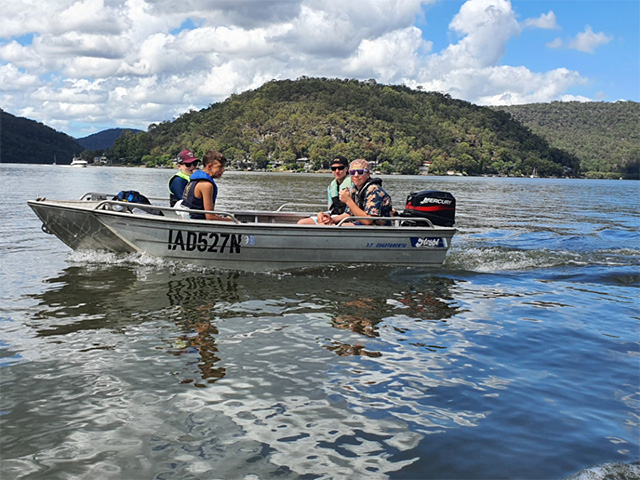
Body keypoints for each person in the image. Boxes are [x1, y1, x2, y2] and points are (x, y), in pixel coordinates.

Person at [317, 159, 393, 226]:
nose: (356, 175)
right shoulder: (354, 189)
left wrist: (348, 201)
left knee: (343, 226)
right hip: (362, 225)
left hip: (378, 228)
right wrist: (331, 220)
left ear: (368, 174)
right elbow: (348, 214)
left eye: (360, 172)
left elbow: (368, 221)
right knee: (331, 224)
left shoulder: (374, 190)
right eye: (352, 172)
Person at [297, 155, 353, 225]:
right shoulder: (331, 187)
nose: (337, 171)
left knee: (323, 225)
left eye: (340, 168)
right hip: (333, 215)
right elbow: (331, 209)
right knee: (302, 222)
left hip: (346, 218)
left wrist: (332, 219)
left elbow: (353, 211)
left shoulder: (353, 185)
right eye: (333, 169)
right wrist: (322, 214)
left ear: (346, 169)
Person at [181, 150, 231, 221]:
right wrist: (232, 221)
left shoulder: (194, 180)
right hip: (197, 222)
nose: (223, 170)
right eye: (220, 167)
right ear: (209, 166)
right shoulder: (206, 185)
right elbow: (210, 217)